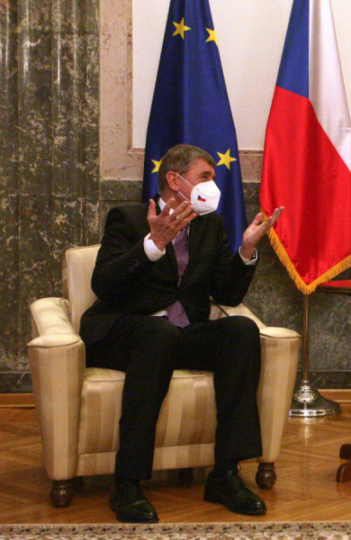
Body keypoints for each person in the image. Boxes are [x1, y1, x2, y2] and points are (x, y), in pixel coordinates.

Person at [80, 144, 283, 523]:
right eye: (205, 176)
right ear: (174, 180)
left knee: (241, 330)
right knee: (158, 335)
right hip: (123, 331)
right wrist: (153, 244)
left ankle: (225, 474)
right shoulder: (128, 218)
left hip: (178, 333)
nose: (213, 185)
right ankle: (127, 483)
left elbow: (227, 295)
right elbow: (104, 284)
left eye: (213, 178)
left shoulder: (211, 225)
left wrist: (245, 251)